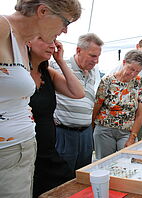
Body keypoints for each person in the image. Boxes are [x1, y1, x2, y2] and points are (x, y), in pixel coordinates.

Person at [0, 1, 81, 198]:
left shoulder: (19, 42)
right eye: (65, 23)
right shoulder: (3, 28)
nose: (65, 31)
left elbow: (78, 93)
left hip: (24, 149)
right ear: (43, 11)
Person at [28, 37, 84, 197]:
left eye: (54, 41)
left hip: (47, 152)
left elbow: (78, 92)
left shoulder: (48, 73)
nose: (52, 45)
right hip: (25, 153)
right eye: (46, 40)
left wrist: (60, 61)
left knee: (67, 187)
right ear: (28, 41)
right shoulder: (17, 74)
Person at [52, 33, 104, 172]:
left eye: (98, 56)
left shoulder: (93, 72)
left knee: (83, 175)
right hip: (65, 133)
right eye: (93, 56)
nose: (96, 61)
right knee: (63, 175)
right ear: (78, 50)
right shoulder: (58, 67)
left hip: (85, 134)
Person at [92, 50, 142, 159]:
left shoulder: (139, 82)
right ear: (124, 62)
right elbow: (97, 107)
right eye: (131, 69)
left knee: (129, 161)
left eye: (137, 71)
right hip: (104, 130)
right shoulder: (107, 81)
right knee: (105, 164)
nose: (133, 74)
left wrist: (132, 137)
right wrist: (93, 127)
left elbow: (140, 114)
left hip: (127, 132)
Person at [108, 37, 142, 140]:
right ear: (137, 47)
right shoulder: (120, 67)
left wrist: (141, 114)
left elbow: (139, 95)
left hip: (134, 118)